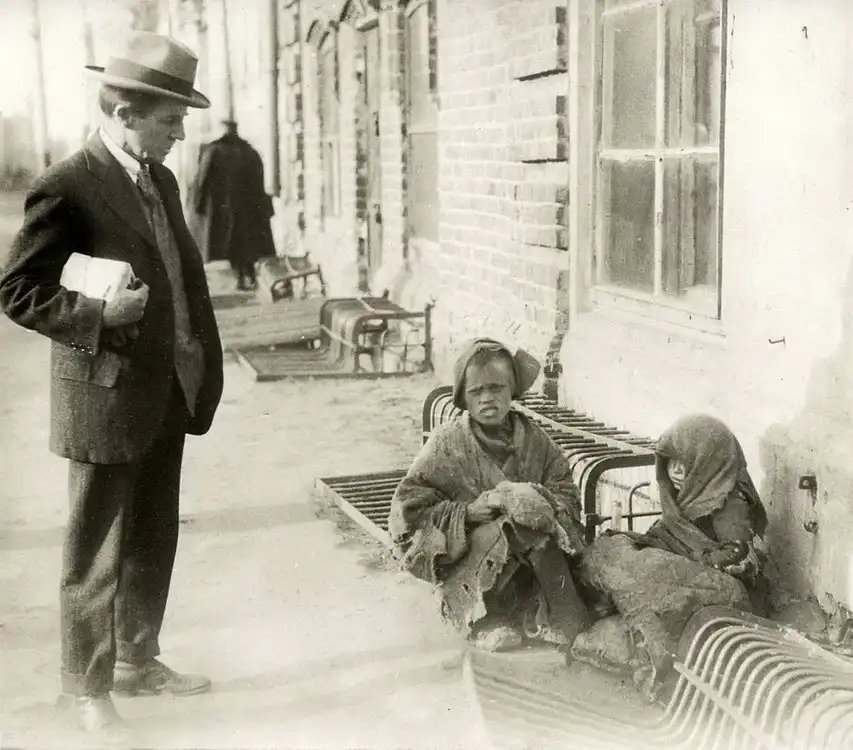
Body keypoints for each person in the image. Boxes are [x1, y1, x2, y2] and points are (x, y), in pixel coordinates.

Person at [0, 31, 224, 737]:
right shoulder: (68, 183)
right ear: (125, 112)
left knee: (153, 532)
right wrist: (97, 315)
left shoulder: (160, 179)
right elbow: (17, 290)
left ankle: (136, 659)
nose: (180, 133)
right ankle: (84, 690)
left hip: (169, 383)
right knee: (96, 549)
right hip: (105, 390)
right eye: (170, 120)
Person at [388, 338, 590, 653]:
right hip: (477, 558)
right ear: (464, 398)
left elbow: (565, 490)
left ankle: (560, 619)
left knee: (537, 539)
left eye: (496, 388)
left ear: (512, 390)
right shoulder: (447, 444)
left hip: (536, 559)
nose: (487, 399)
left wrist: (537, 502)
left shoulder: (536, 441)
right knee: (501, 535)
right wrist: (467, 513)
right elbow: (408, 510)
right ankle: (485, 620)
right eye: (476, 391)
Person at [573, 414, 769, 702]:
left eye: (685, 461)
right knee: (609, 549)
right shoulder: (689, 494)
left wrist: (675, 559)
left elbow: (737, 561)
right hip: (683, 575)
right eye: (670, 460)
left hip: (720, 594)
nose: (675, 469)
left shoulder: (729, 503)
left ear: (707, 462)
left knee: (640, 570)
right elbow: (666, 537)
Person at [190, 119, 276, 290]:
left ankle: (242, 276)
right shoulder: (249, 151)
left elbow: (202, 180)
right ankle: (247, 275)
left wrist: (198, 204)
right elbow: (260, 184)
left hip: (223, 210)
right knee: (245, 244)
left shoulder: (214, 151)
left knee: (231, 244)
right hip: (248, 210)